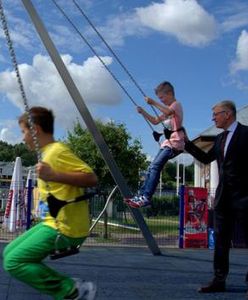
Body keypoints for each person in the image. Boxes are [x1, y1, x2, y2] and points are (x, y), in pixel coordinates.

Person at [3, 106, 98, 300]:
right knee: (9, 252)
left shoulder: (57, 152)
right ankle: (68, 287)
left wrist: (54, 174)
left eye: (24, 132)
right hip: (52, 222)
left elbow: (91, 178)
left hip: (65, 228)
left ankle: (72, 290)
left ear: (35, 130)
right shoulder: (47, 154)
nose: (22, 138)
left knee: (14, 261)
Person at [184, 100, 248, 294]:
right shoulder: (220, 139)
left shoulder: (247, 134)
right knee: (221, 240)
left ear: (227, 114)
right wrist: (186, 142)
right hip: (223, 198)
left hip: (245, 197)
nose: (213, 118)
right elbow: (205, 158)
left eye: (216, 114)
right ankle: (219, 280)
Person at [125, 81, 185, 208]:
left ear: (169, 93)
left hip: (175, 143)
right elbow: (155, 121)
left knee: (155, 167)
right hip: (167, 144)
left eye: (162, 98)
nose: (161, 101)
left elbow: (168, 112)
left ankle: (146, 197)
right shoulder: (167, 109)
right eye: (159, 99)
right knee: (151, 168)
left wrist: (153, 102)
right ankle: (141, 196)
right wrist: (143, 112)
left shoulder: (176, 105)